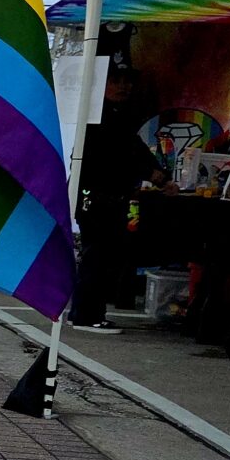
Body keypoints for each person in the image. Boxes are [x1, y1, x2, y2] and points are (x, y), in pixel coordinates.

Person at [70, 67, 157, 330]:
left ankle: (86, 312)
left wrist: (156, 173)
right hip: (93, 196)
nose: (123, 87)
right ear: (103, 85)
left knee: (100, 256)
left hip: (107, 196)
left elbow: (135, 150)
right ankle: (87, 315)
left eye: (127, 82)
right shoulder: (98, 117)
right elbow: (122, 154)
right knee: (97, 255)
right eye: (115, 81)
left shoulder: (122, 116)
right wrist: (151, 172)